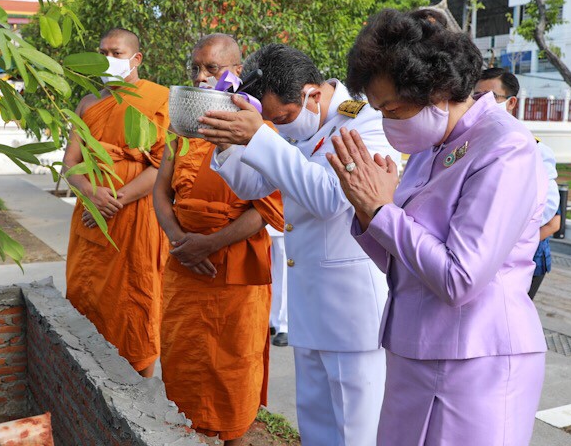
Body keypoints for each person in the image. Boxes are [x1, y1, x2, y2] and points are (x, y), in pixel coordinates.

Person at [327, 9, 548, 445]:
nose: (388, 121)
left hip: (475, 359)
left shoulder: (505, 146)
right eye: (379, 110)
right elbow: (402, 261)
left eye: (393, 107)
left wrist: (382, 210)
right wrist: (368, 209)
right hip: (414, 349)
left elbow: (459, 277)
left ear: (440, 89)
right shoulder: (432, 146)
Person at [197, 44, 399, 446]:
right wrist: (228, 143)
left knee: (355, 433)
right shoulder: (302, 129)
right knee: (317, 430)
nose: (279, 127)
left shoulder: (366, 121)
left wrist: (260, 137)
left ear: (312, 93)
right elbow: (253, 185)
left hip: (349, 314)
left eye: (283, 118)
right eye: (271, 121)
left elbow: (329, 198)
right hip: (310, 308)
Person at [153, 34, 284, 445]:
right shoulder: (182, 126)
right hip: (185, 268)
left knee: (231, 368)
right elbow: (161, 191)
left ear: (237, 72)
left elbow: (266, 209)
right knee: (183, 360)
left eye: (212, 68)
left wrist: (207, 245)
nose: (201, 76)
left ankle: (233, 437)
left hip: (234, 273)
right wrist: (179, 241)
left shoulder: (255, 127)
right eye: (196, 67)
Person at [63, 28, 169, 378]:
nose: (107, 59)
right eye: (102, 51)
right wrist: (91, 195)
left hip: (136, 216)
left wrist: (116, 200)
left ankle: (140, 385)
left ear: (136, 59)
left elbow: (162, 166)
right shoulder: (88, 102)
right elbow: (70, 165)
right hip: (91, 216)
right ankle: (87, 379)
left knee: (135, 301)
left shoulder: (158, 100)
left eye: (117, 53)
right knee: (87, 292)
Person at [473, 67, 561, 299]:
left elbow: (549, 213)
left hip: (522, 257)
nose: (481, 103)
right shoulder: (472, 144)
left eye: (491, 98)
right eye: (475, 97)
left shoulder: (533, 148)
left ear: (511, 103)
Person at [267, 225, 289, 347]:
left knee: (284, 272)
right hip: (261, 219)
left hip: (283, 220)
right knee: (266, 270)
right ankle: (270, 319)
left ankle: (283, 324)